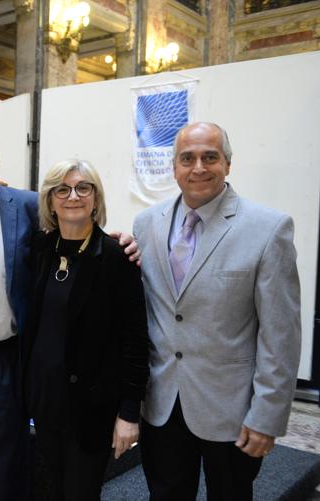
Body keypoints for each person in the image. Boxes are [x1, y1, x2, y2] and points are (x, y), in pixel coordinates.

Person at [0, 128, 140, 500]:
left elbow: (75, 230)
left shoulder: (26, 207)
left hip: (5, 363)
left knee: (5, 473)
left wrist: (121, 242)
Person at [133, 122, 301, 500]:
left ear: (228, 163)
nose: (198, 168)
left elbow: (281, 333)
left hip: (233, 412)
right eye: (187, 158)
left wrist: (267, 416)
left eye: (210, 157)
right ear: (173, 166)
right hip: (162, 404)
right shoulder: (146, 225)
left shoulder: (268, 228)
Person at [24, 159, 149, 500]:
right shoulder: (40, 250)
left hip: (90, 409)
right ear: (50, 200)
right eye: (61, 189)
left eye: (83, 188)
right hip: (44, 403)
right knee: (51, 489)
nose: (73, 196)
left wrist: (128, 412)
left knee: (81, 493)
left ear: (96, 197)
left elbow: (135, 342)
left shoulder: (116, 257)